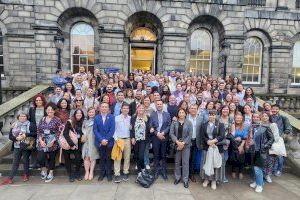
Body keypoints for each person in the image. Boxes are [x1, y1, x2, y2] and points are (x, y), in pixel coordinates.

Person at [0, 111, 36, 185]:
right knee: (15, 162)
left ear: (27, 117)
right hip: (17, 146)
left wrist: (25, 135)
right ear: (18, 117)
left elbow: (35, 133)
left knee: (26, 161)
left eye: (24, 116)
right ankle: (10, 178)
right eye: (21, 116)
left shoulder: (31, 124)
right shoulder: (14, 125)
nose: (22, 117)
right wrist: (16, 139)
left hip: (26, 146)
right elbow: (10, 136)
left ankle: (26, 175)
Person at [36, 103, 62, 183]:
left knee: (52, 158)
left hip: (52, 140)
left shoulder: (57, 119)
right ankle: (43, 169)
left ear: (54, 111)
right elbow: (39, 131)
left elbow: (59, 131)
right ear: (46, 110)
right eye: (48, 110)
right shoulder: (43, 119)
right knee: (41, 157)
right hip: (43, 139)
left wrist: (53, 140)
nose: (50, 111)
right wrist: (40, 140)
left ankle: (51, 172)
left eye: (51, 110)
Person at [248, 113, 274, 193]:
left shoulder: (266, 127)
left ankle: (260, 185)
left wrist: (265, 146)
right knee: (254, 167)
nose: (263, 117)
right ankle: (256, 181)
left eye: (265, 116)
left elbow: (272, 138)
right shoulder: (255, 126)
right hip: (254, 150)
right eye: (262, 116)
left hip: (261, 151)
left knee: (257, 168)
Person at [200, 109, 225, 190]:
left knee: (214, 164)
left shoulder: (220, 124)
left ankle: (214, 180)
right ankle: (206, 179)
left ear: (216, 115)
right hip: (207, 147)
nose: (211, 116)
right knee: (206, 163)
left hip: (216, 147)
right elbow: (202, 135)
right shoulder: (204, 125)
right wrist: (208, 142)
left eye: (213, 114)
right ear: (208, 115)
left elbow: (222, 135)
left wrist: (214, 141)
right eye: (210, 114)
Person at [170, 108, 193, 188]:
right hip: (177, 145)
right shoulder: (174, 122)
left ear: (185, 114)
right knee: (177, 162)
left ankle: (185, 180)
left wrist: (183, 143)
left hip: (186, 146)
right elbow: (171, 133)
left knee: (185, 163)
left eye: (183, 112)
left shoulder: (189, 123)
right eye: (180, 112)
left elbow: (190, 135)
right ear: (178, 114)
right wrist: (177, 142)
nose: (181, 114)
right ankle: (177, 177)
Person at [93, 102, 115, 182]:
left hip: (109, 142)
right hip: (99, 141)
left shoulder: (112, 117)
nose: (104, 108)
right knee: (102, 158)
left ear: (108, 108)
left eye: (106, 107)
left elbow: (112, 130)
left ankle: (109, 174)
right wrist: (101, 140)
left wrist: (106, 140)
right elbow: (95, 130)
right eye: (102, 107)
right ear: (99, 108)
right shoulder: (96, 117)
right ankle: (102, 173)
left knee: (108, 158)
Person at [150, 100, 171, 180]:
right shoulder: (153, 114)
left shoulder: (167, 114)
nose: (159, 105)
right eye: (157, 104)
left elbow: (169, 125)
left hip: (164, 137)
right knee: (156, 155)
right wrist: (157, 133)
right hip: (155, 138)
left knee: (163, 155)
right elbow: (151, 126)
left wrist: (163, 133)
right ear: (155, 105)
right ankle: (155, 171)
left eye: (160, 104)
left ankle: (164, 171)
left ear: (163, 105)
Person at [62, 109, 84, 182]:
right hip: (68, 143)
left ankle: (77, 173)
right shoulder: (70, 122)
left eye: (80, 113)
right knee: (67, 159)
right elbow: (65, 133)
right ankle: (70, 174)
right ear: (74, 114)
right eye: (77, 113)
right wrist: (71, 144)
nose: (79, 114)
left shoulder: (83, 122)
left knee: (78, 159)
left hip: (78, 144)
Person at [270, 104, 292, 177]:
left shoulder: (283, 118)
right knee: (272, 155)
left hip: (279, 139)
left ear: (279, 110)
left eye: (276, 109)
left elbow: (288, 127)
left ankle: (279, 170)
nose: (274, 110)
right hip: (270, 139)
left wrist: (285, 134)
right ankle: (272, 169)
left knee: (280, 155)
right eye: (273, 109)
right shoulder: (269, 117)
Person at [130, 104, 151, 177]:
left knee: (141, 156)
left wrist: (151, 129)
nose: (141, 110)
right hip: (135, 140)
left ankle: (142, 168)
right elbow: (131, 129)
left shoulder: (147, 117)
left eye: (142, 108)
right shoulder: (133, 117)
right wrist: (132, 137)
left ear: (144, 110)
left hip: (143, 140)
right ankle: (140, 172)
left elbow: (150, 127)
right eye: (140, 108)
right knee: (136, 155)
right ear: (137, 109)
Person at [113, 103, 131, 183]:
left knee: (127, 157)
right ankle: (117, 174)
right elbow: (114, 129)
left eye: (127, 108)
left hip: (127, 139)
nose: (125, 109)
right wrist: (116, 139)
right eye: (124, 108)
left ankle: (125, 172)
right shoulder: (116, 118)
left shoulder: (131, 118)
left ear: (129, 110)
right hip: (119, 139)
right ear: (121, 109)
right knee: (117, 157)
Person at [28, 94, 47, 169]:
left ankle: (42, 164)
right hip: (34, 131)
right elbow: (29, 120)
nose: (38, 101)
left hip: (44, 131)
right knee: (33, 147)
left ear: (43, 101)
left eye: (40, 100)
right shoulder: (32, 109)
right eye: (37, 100)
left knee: (42, 148)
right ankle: (34, 164)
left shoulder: (46, 109)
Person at [229, 112, 248, 180]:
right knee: (234, 158)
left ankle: (240, 172)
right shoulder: (232, 126)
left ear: (242, 119)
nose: (238, 119)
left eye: (240, 118)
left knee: (241, 158)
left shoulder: (244, 127)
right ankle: (233, 171)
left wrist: (241, 146)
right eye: (237, 118)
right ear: (235, 119)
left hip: (241, 143)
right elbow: (230, 135)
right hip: (234, 144)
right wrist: (235, 138)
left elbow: (245, 137)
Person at [82, 107, 99, 181]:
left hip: (93, 140)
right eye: (90, 112)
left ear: (95, 113)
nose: (91, 113)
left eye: (92, 112)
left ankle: (91, 172)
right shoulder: (85, 121)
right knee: (86, 156)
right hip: (86, 141)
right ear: (88, 113)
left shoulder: (97, 120)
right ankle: (87, 172)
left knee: (92, 156)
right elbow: (83, 129)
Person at [187, 104, 203, 182]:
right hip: (187, 141)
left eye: (195, 108)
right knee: (186, 158)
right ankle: (185, 174)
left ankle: (191, 174)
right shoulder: (185, 117)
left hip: (196, 141)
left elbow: (202, 131)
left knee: (193, 159)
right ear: (189, 109)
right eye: (192, 108)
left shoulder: (201, 118)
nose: (193, 110)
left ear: (197, 110)